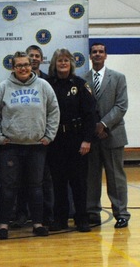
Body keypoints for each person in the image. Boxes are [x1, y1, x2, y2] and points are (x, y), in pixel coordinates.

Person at [0, 51, 59, 239]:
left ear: (32, 65)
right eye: (19, 65)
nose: (23, 68)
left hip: (36, 146)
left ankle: (37, 223)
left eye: (26, 64)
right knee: (8, 187)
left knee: (36, 186)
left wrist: (49, 135)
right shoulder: (3, 87)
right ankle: (3, 224)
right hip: (10, 146)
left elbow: (53, 111)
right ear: (13, 67)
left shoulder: (43, 86)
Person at [47, 48, 96, 232]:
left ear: (71, 64)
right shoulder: (48, 85)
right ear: (54, 64)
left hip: (77, 141)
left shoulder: (81, 85)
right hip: (56, 140)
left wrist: (87, 140)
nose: (63, 63)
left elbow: (90, 115)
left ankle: (81, 218)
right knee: (58, 183)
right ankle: (60, 219)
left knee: (79, 183)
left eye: (66, 60)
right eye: (59, 60)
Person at [84, 43, 131, 229]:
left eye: (100, 52)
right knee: (91, 176)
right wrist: (94, 128)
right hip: (92, 138)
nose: (97, 54)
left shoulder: (118, 78)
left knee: (116, 176)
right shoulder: (83, 79)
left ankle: (121, 213)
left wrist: (103, 125)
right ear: (90, 56)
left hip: (113, 135)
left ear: (106, 55)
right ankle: (93, 212)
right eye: (94, 52)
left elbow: (121, 106)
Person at [12, 45, 54, 228]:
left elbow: (54, 111)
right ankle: (22, 214)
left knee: (43, 182)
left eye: (37, 56)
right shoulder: (9, 85)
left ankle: (46, 216)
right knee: (21, 182)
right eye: (31, 56)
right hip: (18, 143)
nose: (34, 59)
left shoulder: (46, 82)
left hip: (41, 143)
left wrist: (49, 135)